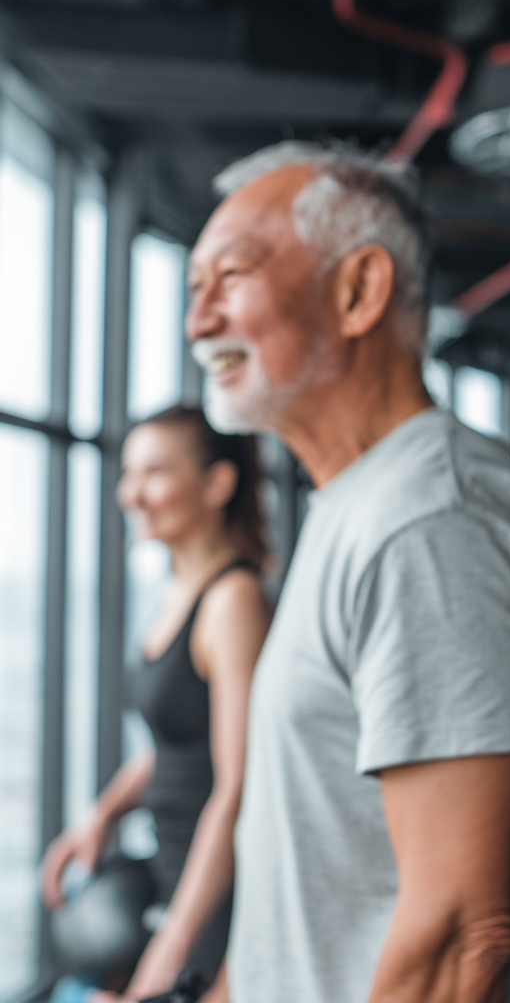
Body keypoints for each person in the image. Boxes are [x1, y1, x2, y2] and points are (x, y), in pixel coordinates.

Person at [185, 142, 510, 1003]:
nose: (199, 322)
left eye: (230, 277)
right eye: (195, 292)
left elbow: (461, 936)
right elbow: (301, 901)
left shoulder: (433, 520)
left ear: (359, 290)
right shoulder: (356, 505)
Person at [42, 406, 272, 1001]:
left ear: (217, 484)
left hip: (218, 891)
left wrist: (174, 942)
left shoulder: (233, 601)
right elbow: (178, 741)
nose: (131, 493)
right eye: (128, 474)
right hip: (171, 870)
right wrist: (102, 813)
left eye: (154, 473)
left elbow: (237, 787)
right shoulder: (179, 592)